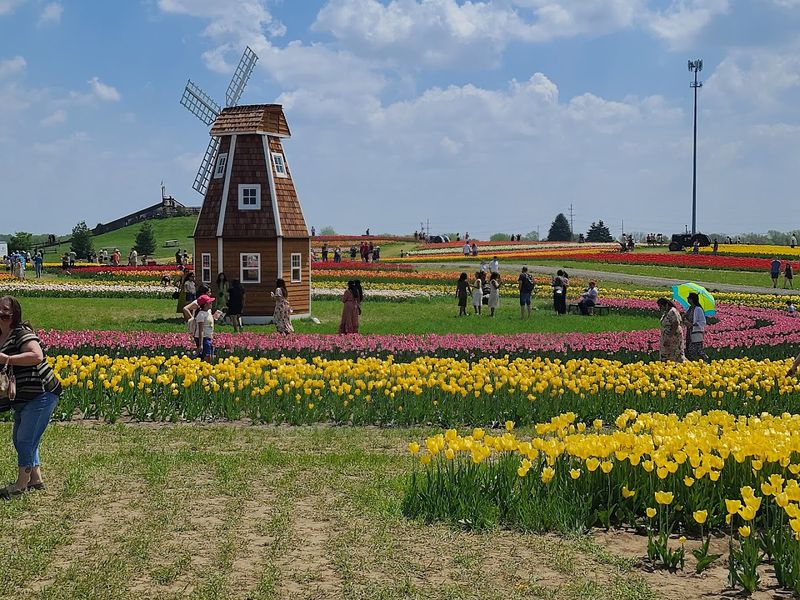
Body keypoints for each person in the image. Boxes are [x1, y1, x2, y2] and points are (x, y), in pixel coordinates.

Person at [0, 296, 62, 498]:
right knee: (21, 439)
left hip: (41, 392)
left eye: (5, 310)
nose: (1, 313)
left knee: (25, 439)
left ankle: (21, 484)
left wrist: (7, 359)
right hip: (21, 396)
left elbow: (36, 356)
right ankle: (35, 479)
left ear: (15, 313)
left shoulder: (22, 332)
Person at [657, 298, 685, 362]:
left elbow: (675, 324)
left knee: (674, 353)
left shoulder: (672, 311)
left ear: (666, 304)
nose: (660, 308)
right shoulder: (666, 312)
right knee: (666, 353)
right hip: (666, 336)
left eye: (661, 306)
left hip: (673, 337)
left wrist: (669, 338)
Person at [682, 292, 707, 360]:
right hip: (689, 331)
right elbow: (687, 319)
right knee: (688, 347)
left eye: (688, 298)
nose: (687, 299)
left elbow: (703, 321)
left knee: (696, 348)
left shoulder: (698, 309)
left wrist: (692, 324)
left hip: (696, 331)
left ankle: (703, 359)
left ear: (692, 299)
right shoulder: (689, 308)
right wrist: (684, 318)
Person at [194, 294, 215, 362]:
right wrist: (200, 345)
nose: (211, 303)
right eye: (209, 302)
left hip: (208, 337)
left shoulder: (208, 312)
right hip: (203, 338)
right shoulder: (201, 315)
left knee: (210, 356)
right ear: (205, 304)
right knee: (206, 357)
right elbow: (201, 330)